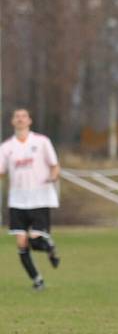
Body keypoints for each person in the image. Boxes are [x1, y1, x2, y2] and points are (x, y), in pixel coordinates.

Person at [0, 108, 61, 291]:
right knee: (21, 242)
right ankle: (37, 280)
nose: (20, 119)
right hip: (17, 200)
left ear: (29, 120)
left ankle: (49, 246)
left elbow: (55, 166)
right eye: (16, 117)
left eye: (23, 116)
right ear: (12, 121)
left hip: (39, 198)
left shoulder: (42, 142)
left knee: (35, 241)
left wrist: (53, 176)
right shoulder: (6, 147)